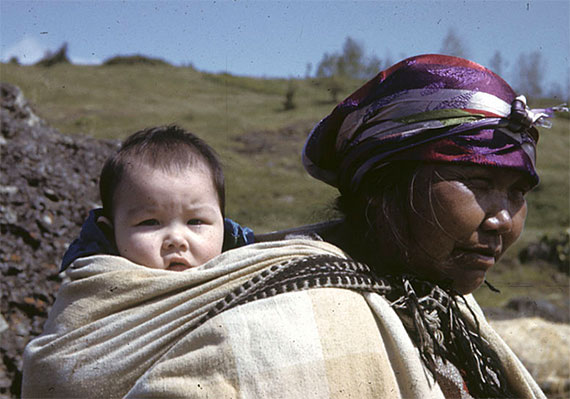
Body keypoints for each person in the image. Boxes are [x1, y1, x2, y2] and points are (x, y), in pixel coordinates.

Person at [23, 55, 566, 398]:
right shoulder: (285, 325)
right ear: (385, 186)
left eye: (518, 194)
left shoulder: (443, 303)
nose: (502, 220)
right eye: (477, 183)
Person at [59, 124, 254, 272]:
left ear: (224, 226)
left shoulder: (249, 275)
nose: (176, 240)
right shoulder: (93, 292)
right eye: (150, 222)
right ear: (110, 233)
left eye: (196, 221)